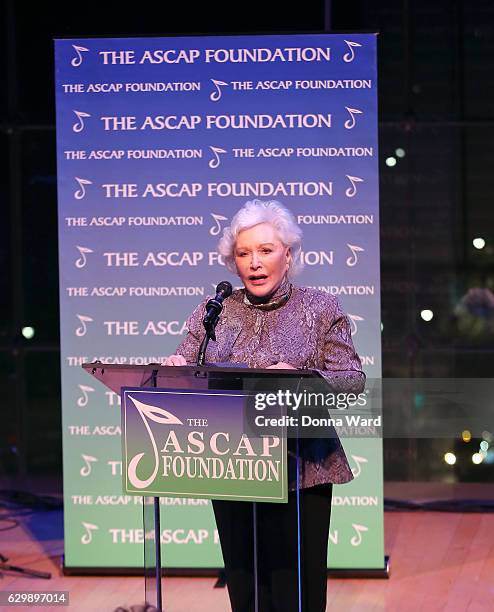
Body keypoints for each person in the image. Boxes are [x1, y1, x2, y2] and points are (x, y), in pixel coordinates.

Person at [164, 199, 365, 612]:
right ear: (233, 262)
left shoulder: (320, 307)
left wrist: (298, 381)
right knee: (245, 587)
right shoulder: (214, 311)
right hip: (230, 464)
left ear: (288, 255)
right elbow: (185, 366)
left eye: (266, 250)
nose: (254, 263)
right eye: (243, 253)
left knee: (297, 591)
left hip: (301, 468)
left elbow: (351, 381)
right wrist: (174, 370)